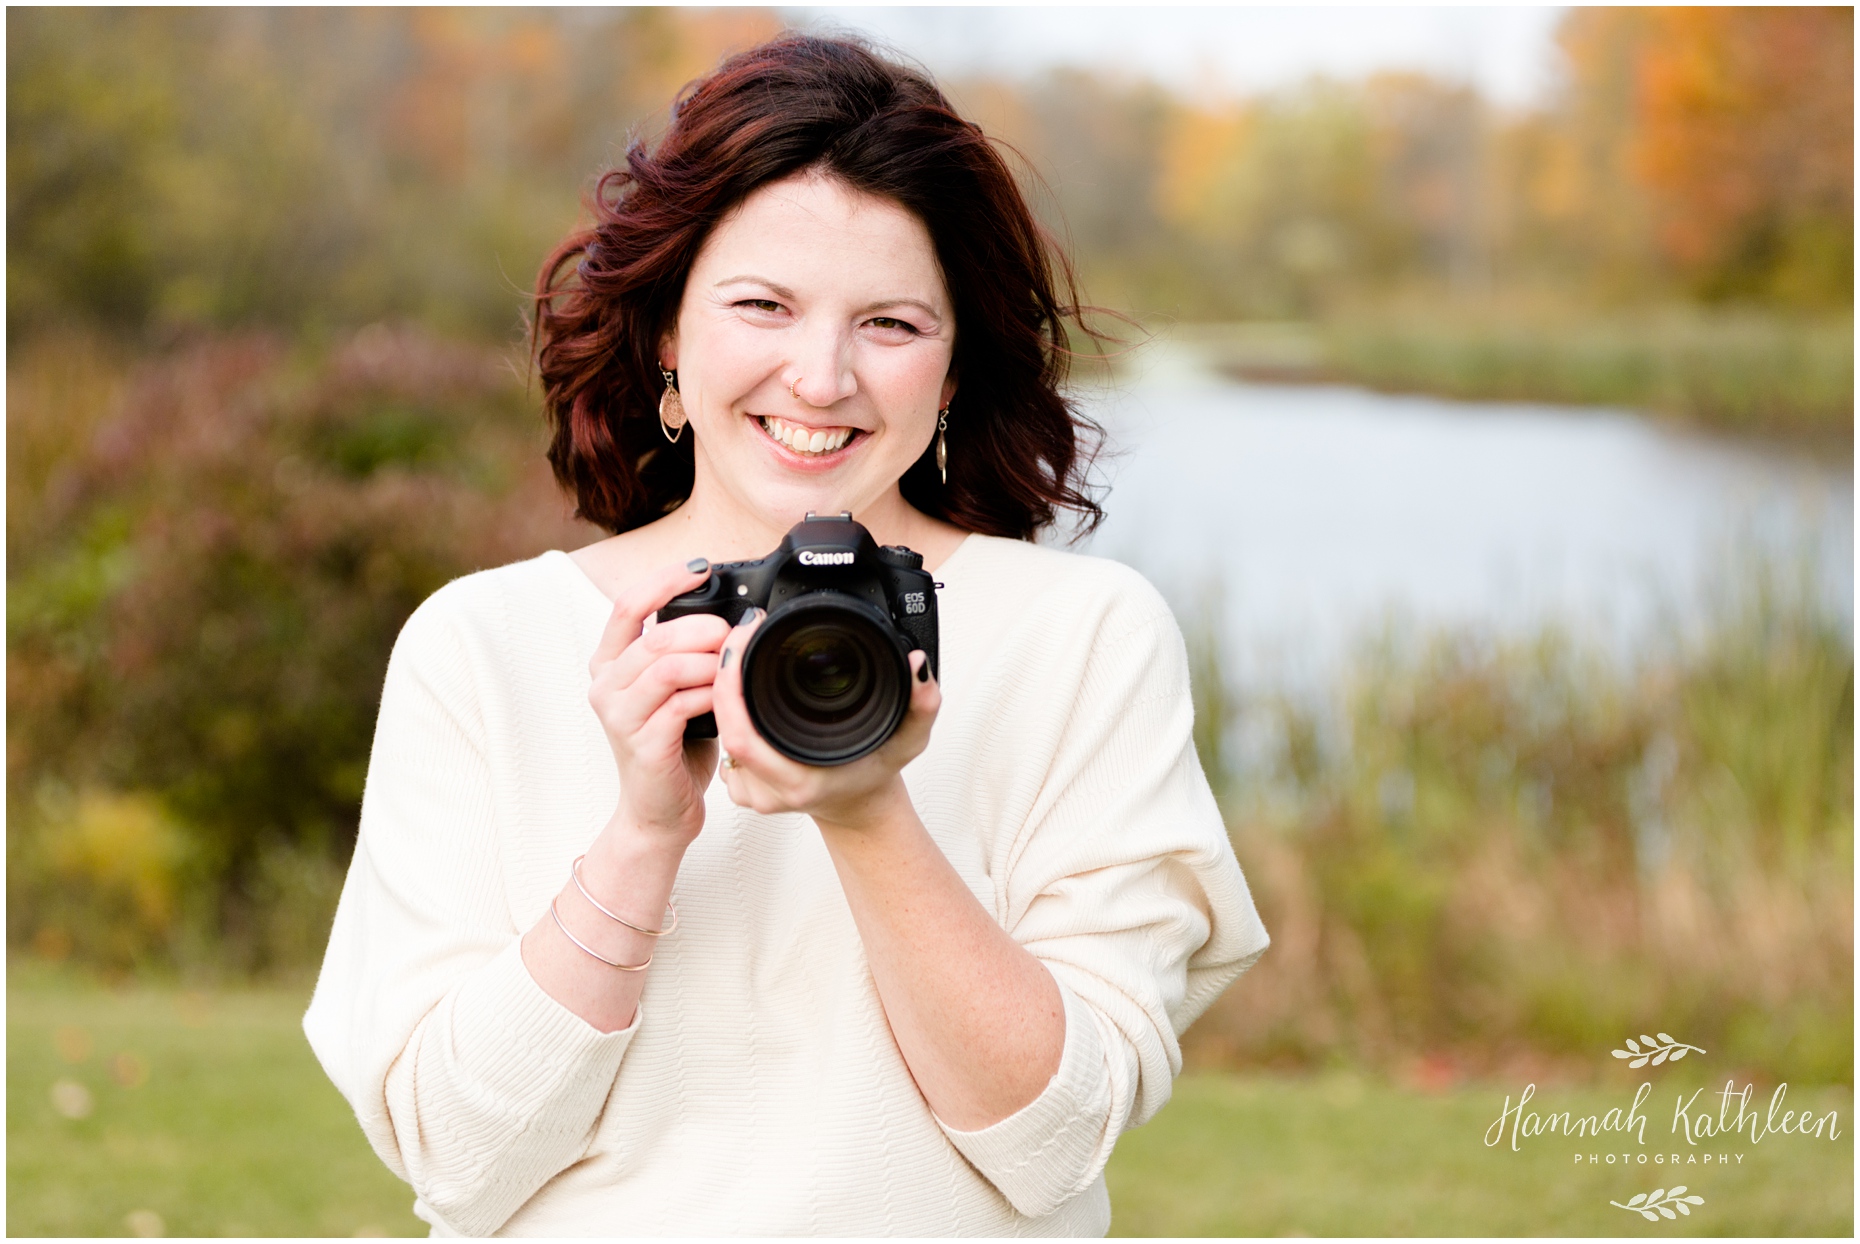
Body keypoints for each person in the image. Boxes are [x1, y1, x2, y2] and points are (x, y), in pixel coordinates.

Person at [304, 33, 1268, 1237]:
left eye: (891, 323)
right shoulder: (483, 645)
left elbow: (1055, 1140)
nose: (820, 377)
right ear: (667, 331)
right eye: (763, 304)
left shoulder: (1083, 637)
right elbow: (455, 1156)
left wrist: (867, 811)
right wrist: (643, 833)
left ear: (956, 361)